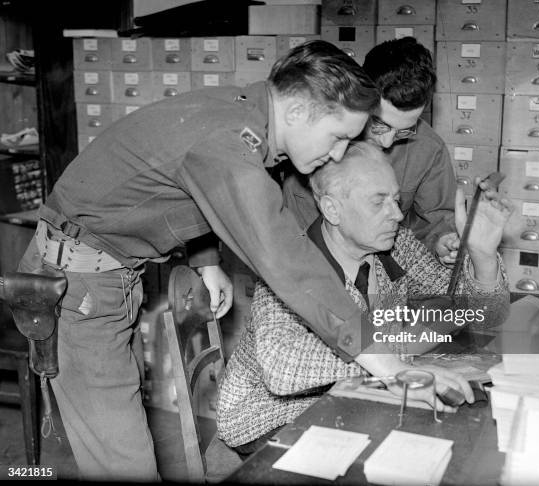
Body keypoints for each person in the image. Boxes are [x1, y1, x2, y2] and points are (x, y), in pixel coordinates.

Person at [17, 41, 381, 481]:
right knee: (123, 463)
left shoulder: (242, 113)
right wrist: (376, 350)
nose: (339, 153)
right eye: (339, 136)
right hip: (79, 286)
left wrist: (206, 260)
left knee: (118, 439)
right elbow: (283, 252)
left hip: (107, 276)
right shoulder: (228, 139)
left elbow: (187, 185)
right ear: (299, 111)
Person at [216, 141, 512, 456]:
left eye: (397, 200)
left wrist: (483, 258)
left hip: (353, 398)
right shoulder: (289, 265)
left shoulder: (395, 245)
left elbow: (483, 315)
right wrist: (399, 352)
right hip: (269, 418)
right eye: (378, 202)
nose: (397, 214)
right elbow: (283, 371)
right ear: (332, 209)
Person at [283, 36, 460, 265]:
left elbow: (435, 219)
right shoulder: (319, 140)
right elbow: (290, 233)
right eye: (378, 124)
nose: (387, 142)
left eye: (403, 131)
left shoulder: (428, 149)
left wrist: (442, 241)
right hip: (312, 269)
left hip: (383, 271)